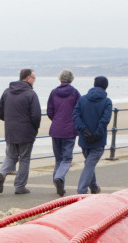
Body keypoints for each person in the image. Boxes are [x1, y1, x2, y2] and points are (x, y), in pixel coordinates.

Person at [0, 68, 41, 195]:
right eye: (33, 78)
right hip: (26, 131)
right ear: (27, 78)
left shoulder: (7, 92)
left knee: (10, 155)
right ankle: (19, 186)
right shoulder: (30, 94)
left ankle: (2, 173)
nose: (34, 80)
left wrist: (9, 120)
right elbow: (36, 115)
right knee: (24, 159)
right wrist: (35, 128)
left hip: (11, 130)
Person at [72, 75, 112, 194]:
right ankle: (81, 190)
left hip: (84, 139)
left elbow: (75, 116)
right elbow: (105, 120)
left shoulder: (83, 99)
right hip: (98, 140)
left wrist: (84, 130)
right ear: (106, 87)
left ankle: (94, 187)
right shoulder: (107, 102)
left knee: (89, 163)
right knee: (89, 165)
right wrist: (96, 134)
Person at [46, 69, 80, 197]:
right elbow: (78, 110)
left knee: (58, 158)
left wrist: (56, 120)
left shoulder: (54, 92)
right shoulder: (75, 93)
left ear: (60, 79)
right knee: (67, 158)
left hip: (56, 129)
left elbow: (50, 110)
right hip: (69, 130)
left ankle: (59, 186)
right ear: (71, 79)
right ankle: (59, 178)